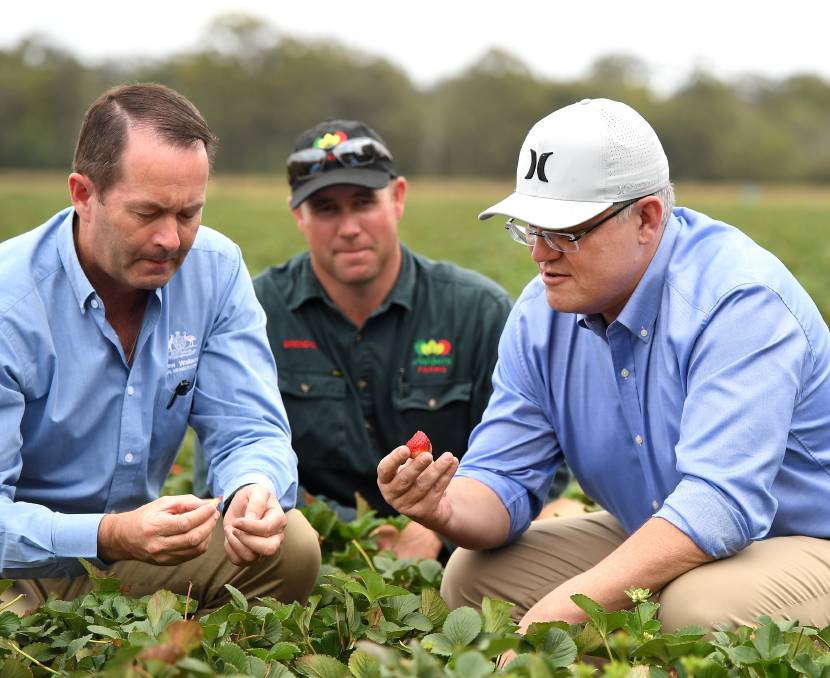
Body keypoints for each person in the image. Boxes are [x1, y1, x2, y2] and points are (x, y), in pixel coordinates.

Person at [377, 98, 830, 631]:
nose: (540, 254)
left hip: (801, 538)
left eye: (565, 232)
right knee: (473, 578)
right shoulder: (539, 314)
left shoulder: (736, 299)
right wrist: (442, 508)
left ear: (646, 218)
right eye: (529, 227)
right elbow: (502, 476)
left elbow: (720, 505)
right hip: (663, 527)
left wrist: (562, 607)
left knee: (695, 609)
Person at [0, 83, 320, 615]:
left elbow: (250, 427)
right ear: (83, 194)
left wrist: (252, 489)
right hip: (16, 568)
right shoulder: (10, 301)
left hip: (138, 554)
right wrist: (110, 534)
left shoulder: (214, 269)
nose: (171, 240)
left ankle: (171, 646)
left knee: (291, 548)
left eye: (188, 214)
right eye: (147, 213)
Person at [191, 118, 572, 562]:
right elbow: (222, 467)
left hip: (463, 546)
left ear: (398, 198)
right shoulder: (256, 313)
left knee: (565, 515)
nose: (349, 227)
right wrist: (349, 532)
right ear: (299, 215)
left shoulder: (476, 310)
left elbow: (541, 466)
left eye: (363, 202)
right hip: (305, 551)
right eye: (327, 209)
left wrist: (439, 526)